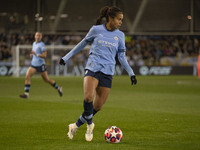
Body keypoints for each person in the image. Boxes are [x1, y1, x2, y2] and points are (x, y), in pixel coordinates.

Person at [59, 6, 137, 142]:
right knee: (88, 97)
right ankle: (90, 125)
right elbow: (82, 44)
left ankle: (75, 125)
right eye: (119, 19)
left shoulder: (120, 35)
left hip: (108, 72)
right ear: (111, 18)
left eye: (122, 20)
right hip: (93, 68)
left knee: (98, 106)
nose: (121, 22)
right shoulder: (96, 30)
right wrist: (66, 57)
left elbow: (122, 57)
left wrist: (131, 73)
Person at [19, 32, 63, 99]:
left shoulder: (42, 45)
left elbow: (44, 55)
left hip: (40, 65)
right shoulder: (34, 43)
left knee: (46, 80)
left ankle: (58, 88)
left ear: (41, 37)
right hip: (33, 65)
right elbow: (34, 52)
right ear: (35, 36)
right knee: (27, 77)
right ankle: (26, 94)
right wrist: (32, 55)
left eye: (39, 36)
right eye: (37, 35)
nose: (38, 37)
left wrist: (36, 54)